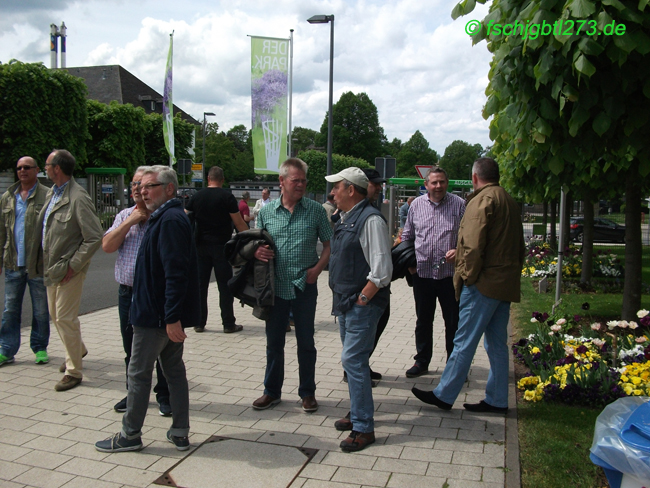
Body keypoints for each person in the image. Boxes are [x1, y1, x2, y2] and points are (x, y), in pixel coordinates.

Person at [95, 165, 200, 453]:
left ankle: (130, 435)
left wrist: (171, 317)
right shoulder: (166, 217)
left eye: (150, 186)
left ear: (169, 189)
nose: (143, 191)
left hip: (154, 316)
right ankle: (179, 431)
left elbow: (176, 274)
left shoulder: (168, 220)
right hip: (158, 314)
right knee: (173, 372)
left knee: (139, 374)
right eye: (141, 187)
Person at [412, 158, 525, 413]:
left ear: (475, 178)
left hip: (483, 283)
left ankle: (444, 394)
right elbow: (520, 246)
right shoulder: (507, 199)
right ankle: (497, 399)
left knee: (463, 340)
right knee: (496, 344)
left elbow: (471, 246)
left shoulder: (481, 201)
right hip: (504, 283)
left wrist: (466, 277)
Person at [252, 158, 332, 413]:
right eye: (295, 180)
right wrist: (257, 252)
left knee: (306, 341)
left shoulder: (316, 210)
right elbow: (255, 243)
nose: (301, 185)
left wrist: (317, 270)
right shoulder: (266, 212)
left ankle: (307, 392)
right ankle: (271, 391)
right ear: (282, 182)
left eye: (303, 180)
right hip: (274, 287)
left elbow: (330, 245)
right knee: (274, 342)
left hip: (304, 286)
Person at [326, 167, 392, 452]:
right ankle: (357, 413)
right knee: (355, 363)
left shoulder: (371, 220)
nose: (332, 193)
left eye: (336, 187)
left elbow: (382, 271)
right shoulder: (347, 217)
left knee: (352, 361)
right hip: (346, 303)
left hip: (359, 305)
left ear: (351, 190)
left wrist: (362, 300)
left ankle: (364, 428)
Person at [102, 166, 171, 416]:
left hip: (153, 295)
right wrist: (130, 220)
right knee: (130, 347)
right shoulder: (124, 215)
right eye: (133, 185)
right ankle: (133, 393)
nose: (136, 190)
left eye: (141, 185)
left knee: (161, 349)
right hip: (127, 293)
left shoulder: (162, 217)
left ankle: (165, 394)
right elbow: (107, 246)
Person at [40, 149, 102, 391]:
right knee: (56, 317)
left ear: (57, 168)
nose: (44, 168)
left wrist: (74, 265)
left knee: (65, 317)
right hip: (51, 267)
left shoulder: (78, 196)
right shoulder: (52, 195)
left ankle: (74, 371)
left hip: (68, 269)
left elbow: (94, 236)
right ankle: (78, 350)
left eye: (47, 165)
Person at [401, 167, 465, 378]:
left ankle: (454, 364)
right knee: (423, 320)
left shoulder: (459, 205)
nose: (438, 186)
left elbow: (467, 237)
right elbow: (408, 236)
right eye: (434, 183)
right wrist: (410, 264)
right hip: (422, 274)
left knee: (453, 321)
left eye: (442, 182)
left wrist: (459, 250)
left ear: (448, 183)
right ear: (426, 185)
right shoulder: (416, 205)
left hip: (450, 275)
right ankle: (422, 361)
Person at [185, 166, 248, 333]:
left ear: (208, 179)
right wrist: (250, 239)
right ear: (222, 179)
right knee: (224, 286)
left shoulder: (197, 196)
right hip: (222, 247)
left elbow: (186, 217)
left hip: (200, 247)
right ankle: (228, 324)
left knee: (200, 286)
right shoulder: (227, 197)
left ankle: (199, 322)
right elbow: (238, 223)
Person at [0, 157, 50, 367]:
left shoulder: (47, 195)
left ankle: (39, 348)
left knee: (40, 310)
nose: (22, 171)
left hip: (37, 264)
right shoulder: (7, 197)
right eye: (19, 167)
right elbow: (2, 230)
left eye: (27, 168)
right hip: (13, 263)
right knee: (10, 309)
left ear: (37, 170)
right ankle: (6, 350)